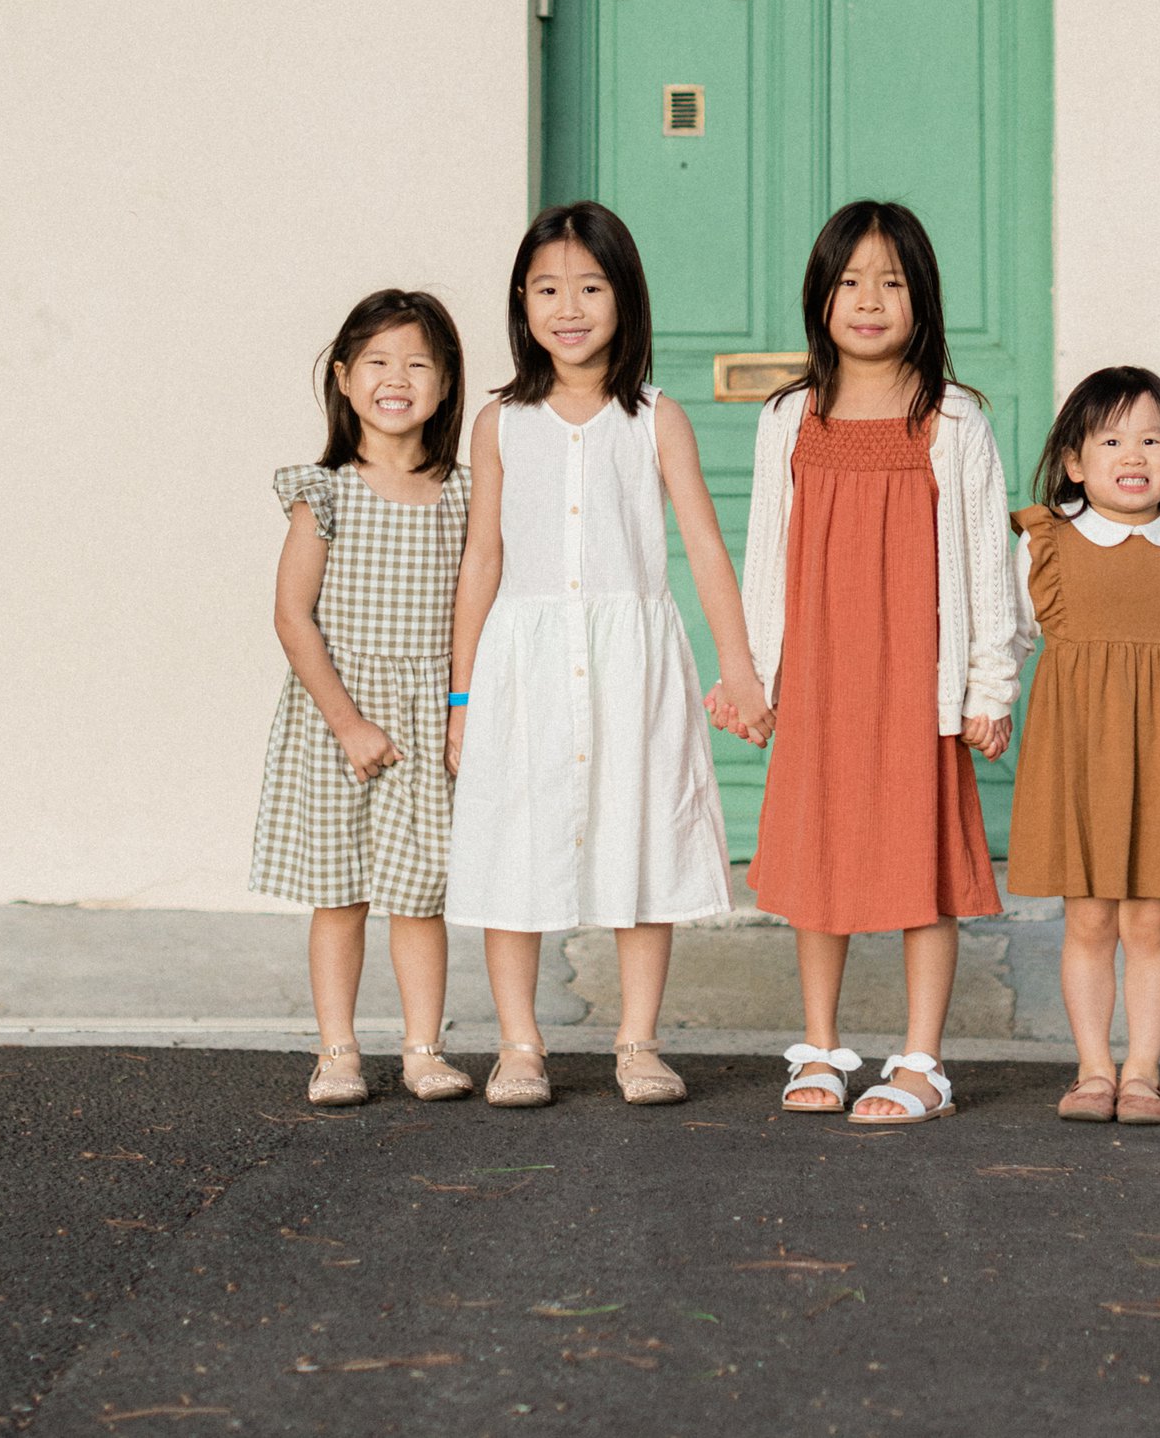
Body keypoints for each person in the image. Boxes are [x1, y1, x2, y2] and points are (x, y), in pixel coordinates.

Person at [444, 202, 770, 1109]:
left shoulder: (656, 418)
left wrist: (740, 669)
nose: (569, 308)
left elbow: (705, 547)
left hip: (633, 663)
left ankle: (637, 1040)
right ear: (522, 302)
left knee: (642, 835)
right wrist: (462, 698)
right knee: (516, 841)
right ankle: (519, 1044)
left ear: (625, 297)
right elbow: (482, 559)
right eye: (547, 289)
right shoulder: (500, 422)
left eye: (590, 287)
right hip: (524, 663)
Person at [740, 201, 1022, 1125]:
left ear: (922, 297)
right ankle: (820, 1048)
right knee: (819, 860)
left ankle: (922, 1063)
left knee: (919, 864)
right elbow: (766, 553)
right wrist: (755, 676)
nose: (869, 301)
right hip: (821, 675)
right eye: (851, 282)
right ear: (820, 297)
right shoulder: (789, 416)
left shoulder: (955, 419)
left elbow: (988, 562)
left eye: (891, 282)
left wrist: (990, 685)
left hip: (915, 677)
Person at [251, 287, 473, 1108]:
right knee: (340, 892)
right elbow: (292, 616)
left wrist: (461, 710)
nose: (397, 379)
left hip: (425, 717)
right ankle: (338, 1051)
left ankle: (422, 1048)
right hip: (338, 717)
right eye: (377, 361)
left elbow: (475, 609)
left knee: (420, 895)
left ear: (445, 384)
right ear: (344, 379)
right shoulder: (326, 492)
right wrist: (348, 723)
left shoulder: (463, 493)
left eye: (418, 363)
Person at [1007, 365, 1160, 1126]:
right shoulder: (1048, 542)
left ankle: (1142, 1073)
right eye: (1111, 441)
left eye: (1152, 439)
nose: (1133, 454)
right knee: (1088, 920)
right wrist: (985, 707)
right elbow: (1011, 638)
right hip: (1078, 750)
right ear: (1075, 462)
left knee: (1149, 921)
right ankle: (1092, 1071)